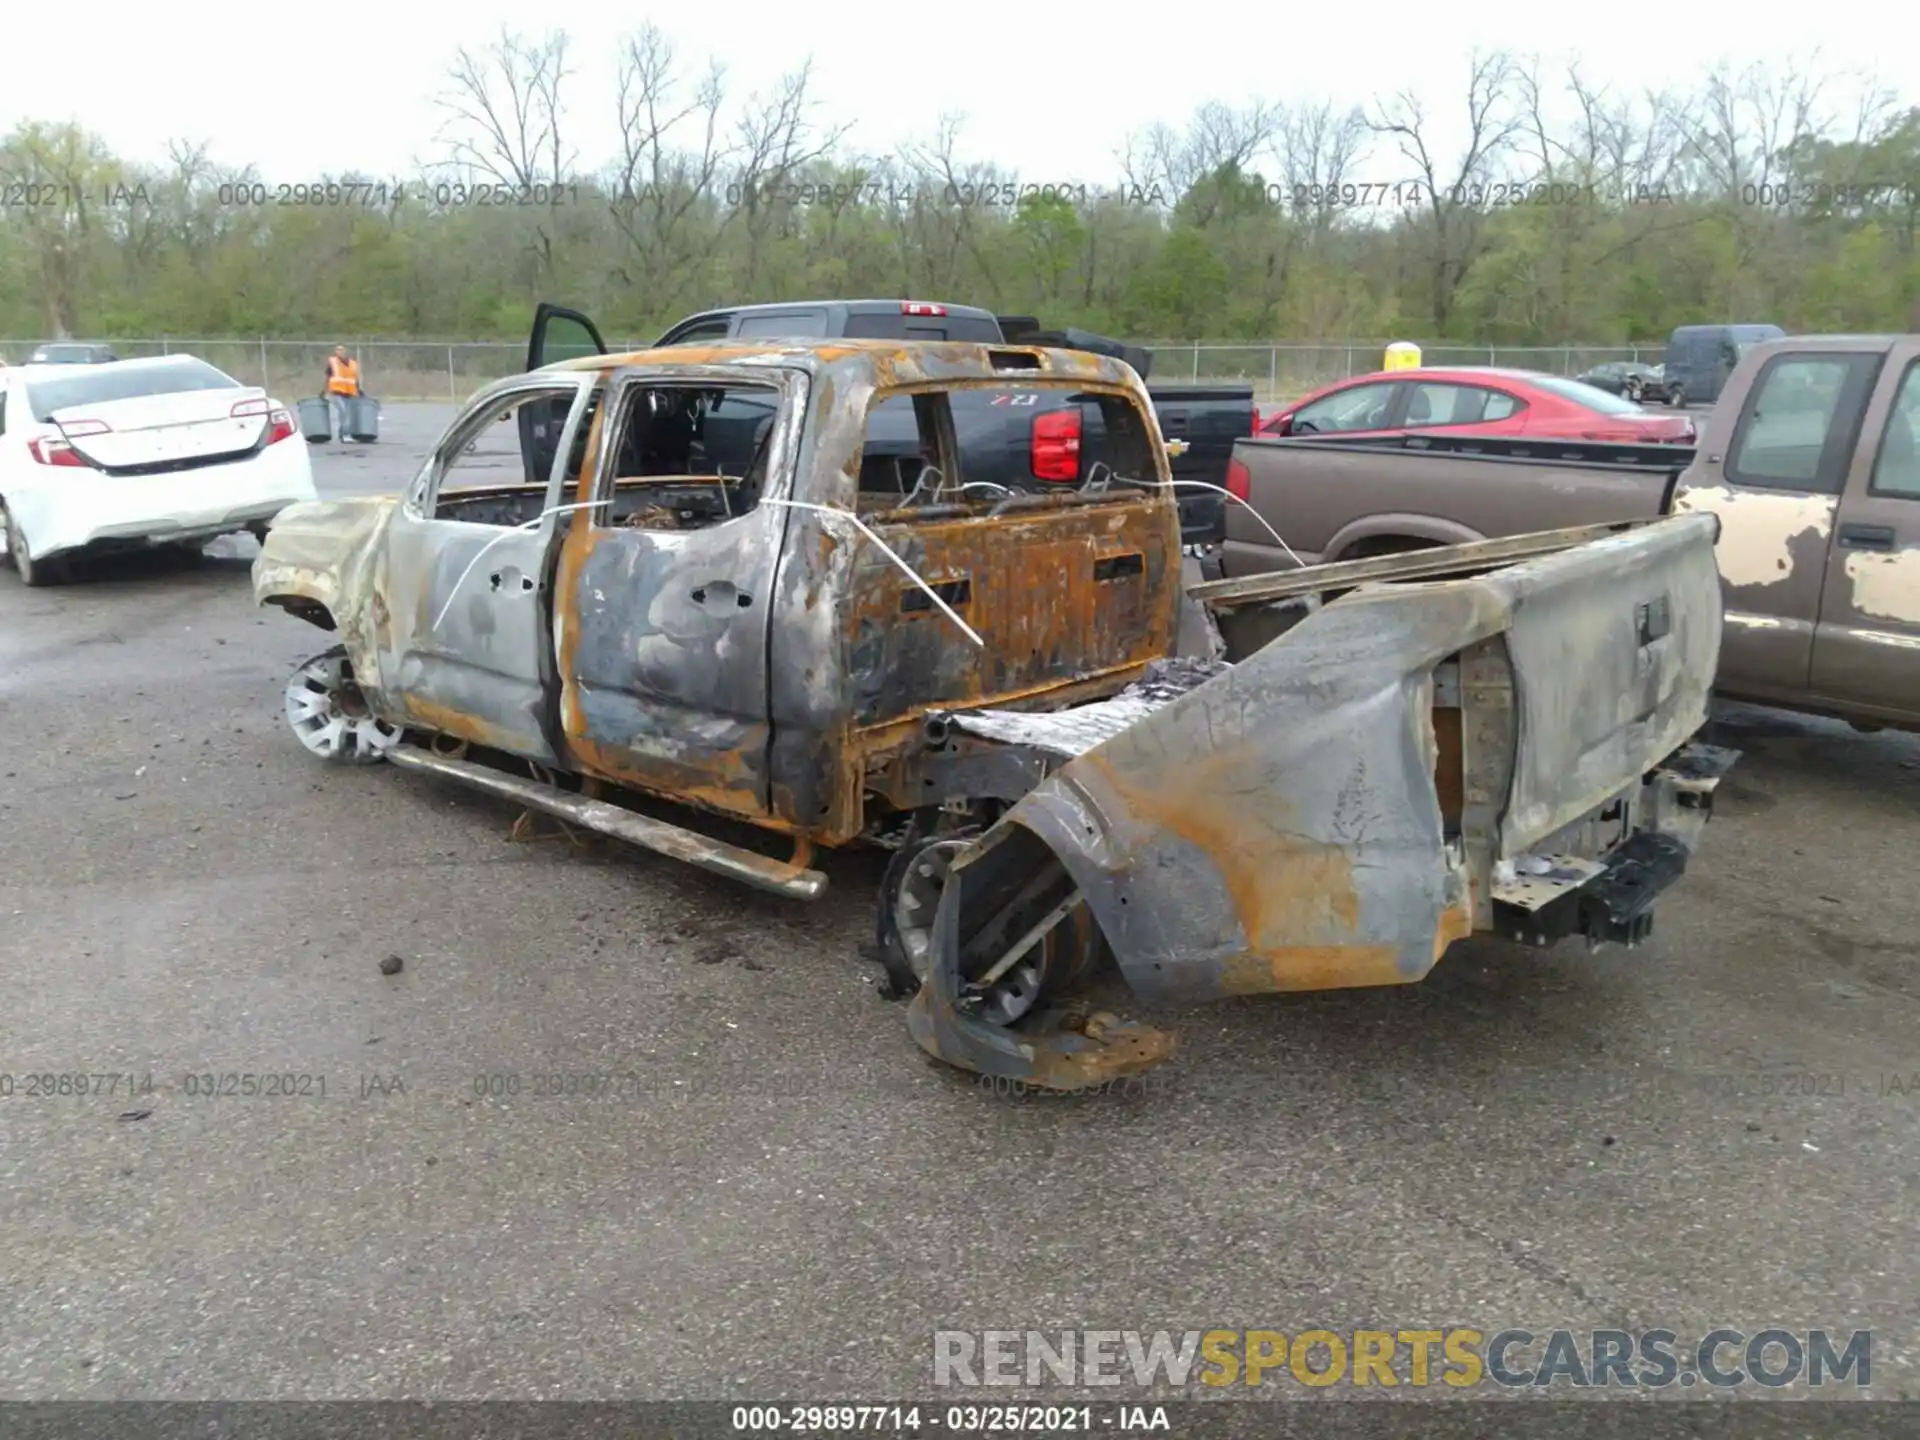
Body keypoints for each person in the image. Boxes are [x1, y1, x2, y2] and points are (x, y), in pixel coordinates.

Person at [322, 345, 362, 441]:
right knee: (343, 412)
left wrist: (358, 389)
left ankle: (342, 433)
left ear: (346, 351)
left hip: (348, 393)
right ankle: (345, 435)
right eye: (338, 350)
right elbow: (328, 377)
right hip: (335, 392)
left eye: (341, 350)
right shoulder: (333, 363)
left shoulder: (353, 363)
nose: (340, 352)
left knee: (346, 414)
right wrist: (324, 390)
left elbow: (354, 378)